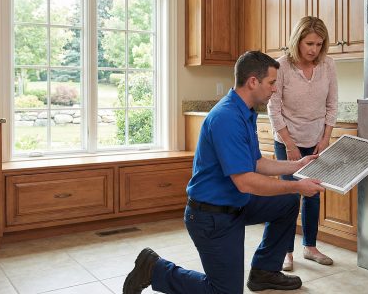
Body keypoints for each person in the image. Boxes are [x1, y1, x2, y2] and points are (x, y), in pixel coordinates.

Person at [123, 51, 325, 294]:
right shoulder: (227, 118)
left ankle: (264, 272)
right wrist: (297, 185)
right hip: (212, 216)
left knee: (287, 203)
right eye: (271, 83)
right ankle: (155, 269)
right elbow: (246, 182)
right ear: (253, 81)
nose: (274, 89)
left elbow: (256, 163)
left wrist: (297, 165)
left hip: (235, 204)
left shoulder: (245, 112)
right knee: (224, 291)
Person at [267, 16, 338, 271]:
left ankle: (310, 246)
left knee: (312, 193)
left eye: (319, 44)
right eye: (309, 43)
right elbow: (273, 108)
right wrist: (289, 143)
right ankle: (285, 251)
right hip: (287, 139)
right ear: (297, 40)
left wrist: (326, 137)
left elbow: (332, 105)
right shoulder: (282, 66)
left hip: (317, 139)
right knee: (288, 196)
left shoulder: (328, 65)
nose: (314, 50)